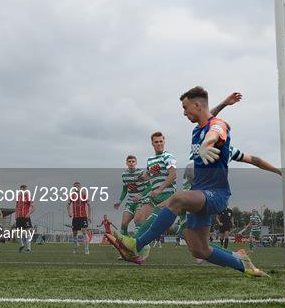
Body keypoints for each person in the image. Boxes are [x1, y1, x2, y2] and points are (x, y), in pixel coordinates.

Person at [108, 86, 267, 277]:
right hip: (198, 193)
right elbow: (207, 119)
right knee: (199, 250)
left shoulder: (220, 136)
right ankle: (243, 264)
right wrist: (224, 104)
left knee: (176, 200)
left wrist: (207, 144)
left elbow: (217, 133)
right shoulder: (199, 130)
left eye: (185, 108)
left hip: (214, 194)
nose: (184, 112)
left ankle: (136, 244)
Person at [210, 94, 281, 176]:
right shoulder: (203, 139)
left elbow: (255, 160)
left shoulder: (230, 150)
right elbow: (207, 119)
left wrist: (276, 170)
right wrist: (224, 104)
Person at [132, 132, 177, 239]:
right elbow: (148, 175)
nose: (159, 144)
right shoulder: (150, 160)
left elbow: (173, 175)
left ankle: (133, 244)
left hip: (167, 195)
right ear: (152, 143)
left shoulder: (168, 156)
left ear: (164, 142)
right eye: (156, 142)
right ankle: (139, 247)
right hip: (154, 196)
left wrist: (160, 189)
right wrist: (140, 177)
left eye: (161, 141)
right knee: (138, 218)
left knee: (156, 221)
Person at [113, 155, 150, 235]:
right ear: (126, 163)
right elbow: (125, 189)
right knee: (123, 224)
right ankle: (125, 244)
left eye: (133, 161)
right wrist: (119, 201)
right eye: (129, 161)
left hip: (141, 201)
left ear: (136, 163)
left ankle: (142, 243)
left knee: (137, 221)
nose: (131, 163)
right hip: (130, 202)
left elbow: (150, 187)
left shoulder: (141, 173)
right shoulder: (124, 175)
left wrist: (141, 194)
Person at [67, 182, 92, 255]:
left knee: (84, 231)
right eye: (75, 186)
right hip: (75, 217)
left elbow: (89, 205)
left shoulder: (84, 194)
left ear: (80, 186)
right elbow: (68, 204)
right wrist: (69, 213)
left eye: (78, 186)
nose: (76, 187)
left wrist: (89, 216)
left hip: (83, 217)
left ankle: (86, 249)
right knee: (75, 233)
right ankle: (75, 249)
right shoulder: (72, 195)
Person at [15, 184, 35, 253]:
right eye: (21, 188)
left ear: (26, 189)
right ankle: (22, 245)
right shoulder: (18, 197)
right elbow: (16, 207)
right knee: (18, 233)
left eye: (24, 188)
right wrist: (15, 215)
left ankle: (28, 248)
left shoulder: (28, 196)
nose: (23, 189)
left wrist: (28, 214)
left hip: (25, 217)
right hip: (19, 217)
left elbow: (34, 207)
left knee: (28, 232)